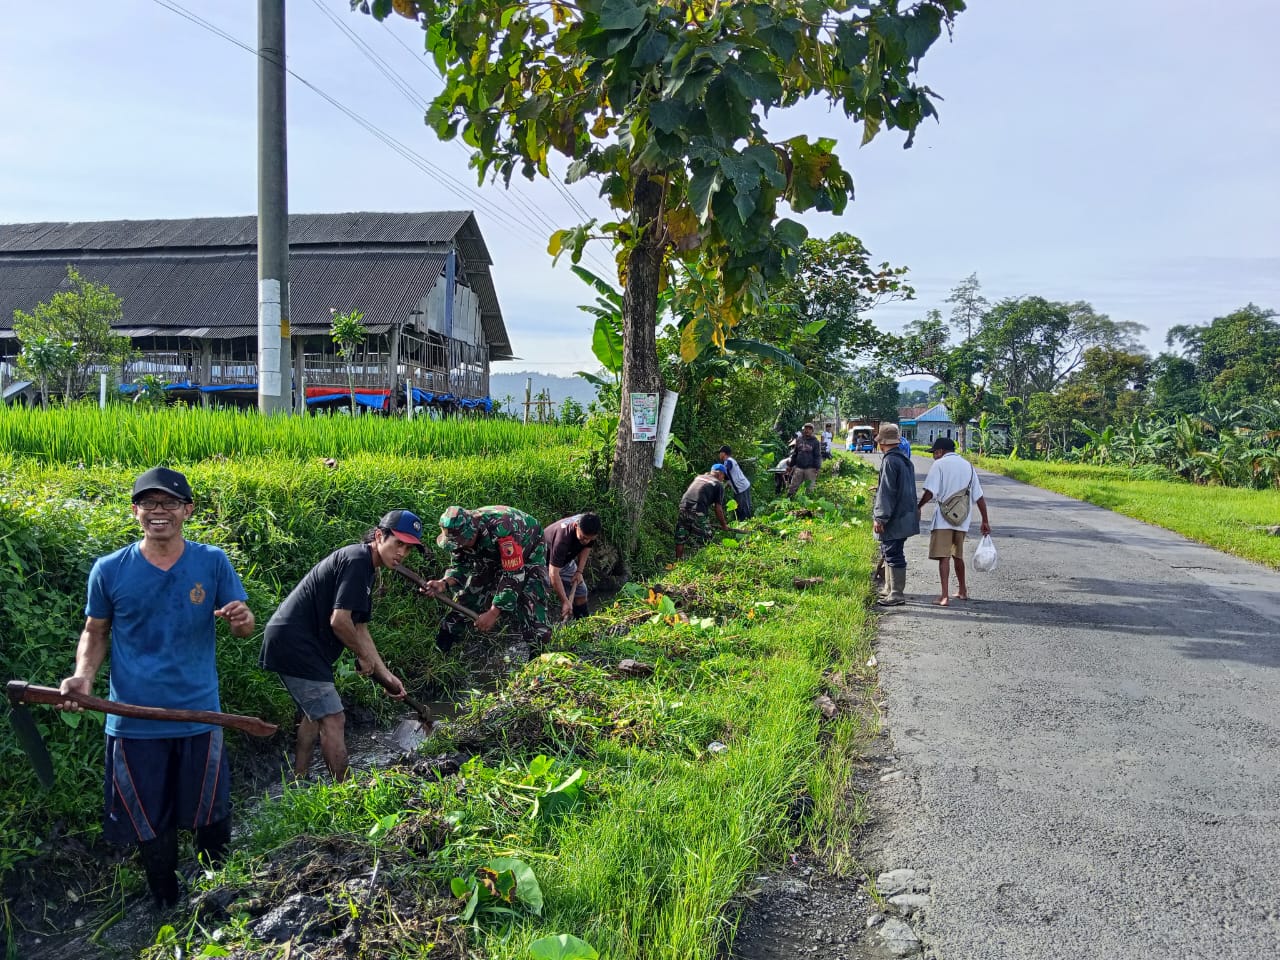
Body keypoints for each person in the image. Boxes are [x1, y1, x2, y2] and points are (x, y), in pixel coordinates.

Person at [58, 467, 256, 907]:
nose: (158, 511)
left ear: (187, 510)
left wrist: (243, 621)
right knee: (150, 824)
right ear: (135, 512)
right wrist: (83, 678)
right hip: (133, 723)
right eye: (148, 503)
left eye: (168, 503)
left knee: (212, 816)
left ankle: (219, 904)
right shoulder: (109, 570)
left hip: (199, 716)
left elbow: (242, 624)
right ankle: (166, 905)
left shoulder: (212, 561)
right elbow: (96, 630)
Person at [260, 511, 416, 782]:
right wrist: (362, 656)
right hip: (296, 644)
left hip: (303, 645)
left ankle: (298, 779)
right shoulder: (357, 561)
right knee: (333, 718)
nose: (402, 553)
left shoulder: (366, 567)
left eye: (408, 548)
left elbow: (360, 629)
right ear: (380, 536)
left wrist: (386, 675)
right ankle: (346, 793)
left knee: (315, 715)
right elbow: (340, 621)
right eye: (398, 544)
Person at [423, 505, 552, 654]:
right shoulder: (458, 538)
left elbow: (513, 575)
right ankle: (442, 650)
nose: (460, 548)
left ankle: (539, 658)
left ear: (472, 534)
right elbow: (460, 566)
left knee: (531, 599)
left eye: (462, 544)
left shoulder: (504, 530)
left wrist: (493, 612)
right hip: (490, 553)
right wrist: (443, 583)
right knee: (467, 596)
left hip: (529, 549)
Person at [917, 437, 992, 605]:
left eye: (934, 453)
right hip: (962, 519)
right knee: (958, 555)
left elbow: (929, 492)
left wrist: (919, 506)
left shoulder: (939, 465)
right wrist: (985, 520)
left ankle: (944, 596)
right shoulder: (968, 466)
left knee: (944, 557)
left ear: (941, 451)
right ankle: (962, 590)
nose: (933, 457)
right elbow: (979, 496)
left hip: (944, 519)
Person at [873, 424, 920, 606]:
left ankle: (896, 593)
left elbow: (886, 492)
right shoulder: (904, 459)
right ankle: (889, 588)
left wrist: (880, 517)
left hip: (894, 517)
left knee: (893, 553)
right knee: (890, 551)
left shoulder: (890, 461)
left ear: (882, 442)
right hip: (904, 515)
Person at [545, 511, 602, 621]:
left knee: (581, 592)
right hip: (543, 564)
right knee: (540, 599)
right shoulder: (562, 538)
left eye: (590, 539)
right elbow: (553, 573)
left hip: (565, 561)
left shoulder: (589, 527)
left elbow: (587, 547)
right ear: (576, 526)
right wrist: (565, 601)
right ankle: (539, 631)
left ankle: (583, 624)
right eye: (584, 537)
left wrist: (579, 572)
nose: (586, 541)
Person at [675, 465, 731, 560]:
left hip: (683, 507)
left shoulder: (699, 477)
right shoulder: (718, 484)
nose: (723, 480)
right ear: (720, 473)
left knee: (681, 536)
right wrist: (724, 525)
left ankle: (677, 561)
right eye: (723, 477)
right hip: (698, 511)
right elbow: (718, 508)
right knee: (706, 539)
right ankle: (700, 563)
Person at [717, 445, 754, 520]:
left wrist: (718, 476)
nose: (719, 455)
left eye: (720, 453)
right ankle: (745, 524)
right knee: (741, 508)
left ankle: (747, 527)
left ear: (724, 453)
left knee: (743, 510)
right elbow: (730, 477)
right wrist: (724, 486)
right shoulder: (730, 461)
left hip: (741, 488)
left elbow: (725, 470)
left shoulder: (728, 461)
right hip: (742, 487)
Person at [788, 423, 823, 497]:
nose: (807, 430)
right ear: (803, 429)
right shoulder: (799, 440)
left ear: (812, 431)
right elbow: (795, 453)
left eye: (809, 429)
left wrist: (818, 467)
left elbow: (817, 455)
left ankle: (808, 506)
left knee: (809, 489)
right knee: (793, 487)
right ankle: (789, 502)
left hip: (810, 469)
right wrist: (791, 465)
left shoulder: (815, 442)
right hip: (799, 468)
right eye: (806, 428)